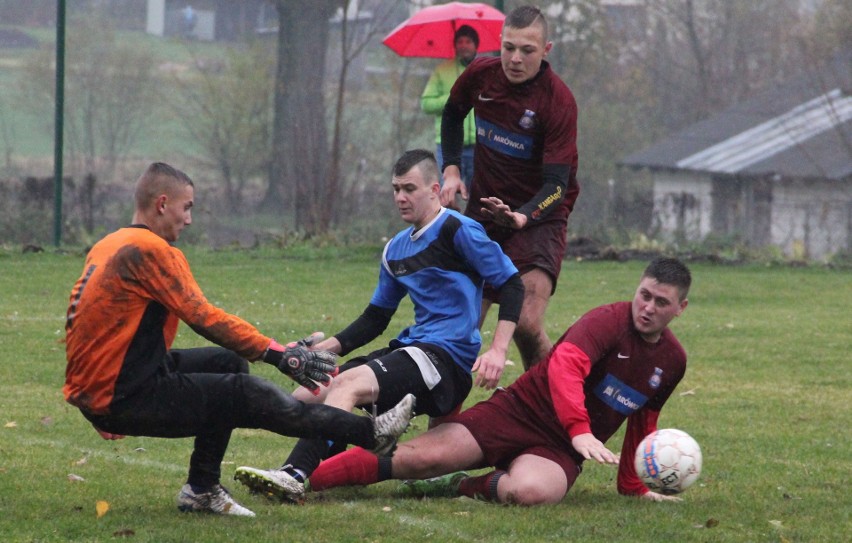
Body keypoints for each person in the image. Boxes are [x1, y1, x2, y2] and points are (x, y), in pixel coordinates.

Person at [62, 162, 416, 517]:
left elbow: (79, 320)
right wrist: (280, 355)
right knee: (242, 393)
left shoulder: (112, 243)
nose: (189, 220)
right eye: (187, 208)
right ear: (162, 204)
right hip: (122, 393)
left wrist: (90, 391)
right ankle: (371, 434)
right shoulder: (149, 250)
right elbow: (204, 317)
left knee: (228, 364)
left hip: (115, 383)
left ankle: (201, 489)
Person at [233, 149, 524, 504]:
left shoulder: (457, 229)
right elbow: (375, 319)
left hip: (445, 359)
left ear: (435, 189)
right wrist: (318, 353)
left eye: (410, 189)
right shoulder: (395, 250)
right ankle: (335, 458)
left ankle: (293, 473)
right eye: (396, 188)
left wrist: (497, 349)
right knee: (309, 394)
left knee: (348, 385)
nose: (401, 197)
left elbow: (511, 283)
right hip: (411, 349)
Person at [294, 257, 692, 505]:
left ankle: (463, 485)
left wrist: (633, 484)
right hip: (518, 412)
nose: (647, 308)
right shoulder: (607, 320)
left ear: (680, 308)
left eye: (661, 303)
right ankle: (302, 479)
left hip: (560, 449)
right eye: (644, 295)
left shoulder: (673, 361)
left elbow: (644, 421)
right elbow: (565, 368)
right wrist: (581, 429)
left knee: (530, 493)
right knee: (417, 458)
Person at [439, 5, 581, 371]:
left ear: (546, 50)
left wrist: (522, 216)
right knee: (460, 327)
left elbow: (556, 186)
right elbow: (453, 112)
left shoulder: (558, 101)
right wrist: (452, 168)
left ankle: (553, 411)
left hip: (540, 218)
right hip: (484, 214)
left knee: (527, 323)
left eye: (527, 50)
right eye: (508, 47)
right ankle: (440, 422)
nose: (515, 59)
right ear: (499, 44)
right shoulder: (481, 76)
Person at [421, 25, 479, 190]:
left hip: (479, 146)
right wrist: (453, 98)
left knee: (478, 196)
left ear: (476, 45)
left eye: (468, 41)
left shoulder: (483, 71)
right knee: (446, 195)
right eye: (460, 41)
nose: (463, 45)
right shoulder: (442, 70)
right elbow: (426, 104)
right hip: (448, 146)